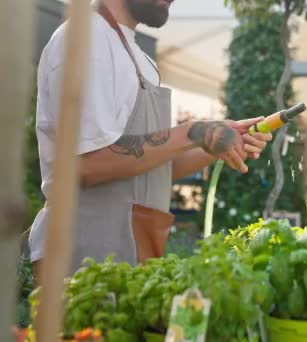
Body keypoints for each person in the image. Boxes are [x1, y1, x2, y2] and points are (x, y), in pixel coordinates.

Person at [29, 0, 272, 279]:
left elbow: (153, 169)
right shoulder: (86, 39)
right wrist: (193, 131)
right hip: (81, 255)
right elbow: (88, 164)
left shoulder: (141, 60)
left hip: (132, 253)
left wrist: (211, 146)